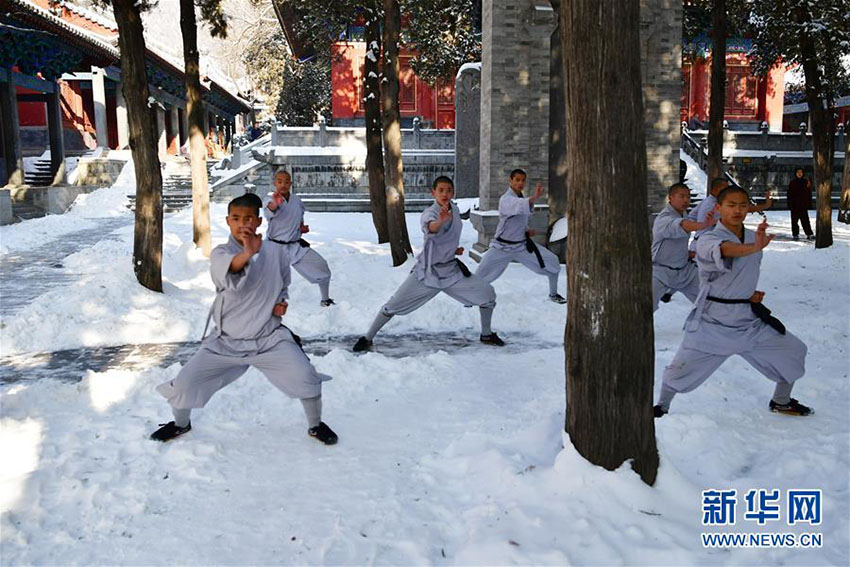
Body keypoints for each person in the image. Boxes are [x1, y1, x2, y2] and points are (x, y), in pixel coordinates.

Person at [150, 193, 338, 444]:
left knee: (306, 377)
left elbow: (283, 281)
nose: (242, 224)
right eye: (236, 218)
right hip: (226, 342)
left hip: (268, 339)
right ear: (228, 221)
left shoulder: (276, 251)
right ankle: (180, 424)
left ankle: (315, 425)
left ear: (258, 222)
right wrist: (247, 253)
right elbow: (231, 277)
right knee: (185, 384)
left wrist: (281, 301)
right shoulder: (221, 253)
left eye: (248, 218)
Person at [654, 185, 812, 418]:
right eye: (731, 205)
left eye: (742, 205)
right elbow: (726, 251)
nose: (737, 210)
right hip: (712, 323)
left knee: (794, 351)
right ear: (718, 208)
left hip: (748, 322)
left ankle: (781, 401)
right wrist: (753, 247)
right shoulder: (709, 238)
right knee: (680, 369)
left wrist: (748, 292)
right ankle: (662, 406)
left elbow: (741, 272)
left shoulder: (752, 237)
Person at [353, 176, 504, 352]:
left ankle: (486, 334)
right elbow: (432, 227)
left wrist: (453, 250)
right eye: (440, 190)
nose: (445, 194)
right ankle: (368, 337)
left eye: (448, 190)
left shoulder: (454, 210)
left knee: (487, 294)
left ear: (453, 192)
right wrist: (440, 221)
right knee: (393, 305)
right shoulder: (430, 213)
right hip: (427, 273)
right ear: (433, 193)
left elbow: (444, 239)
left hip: (451, 272)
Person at [474, 169, 566, 304]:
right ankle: (470, 297)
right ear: (510, 181)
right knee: (481, 273)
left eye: (523, 180)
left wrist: (527, 231)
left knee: (552, 262)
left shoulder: (521, 198)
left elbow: (518, 220)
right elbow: (515, 207)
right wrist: (534, 198)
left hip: (521, 246)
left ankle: (553, 294)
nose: (520, 183)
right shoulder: (506, 199)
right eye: (517, 180)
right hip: (501, 247)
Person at [265, 169, 335, 306]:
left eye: (286, 182)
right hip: (275, 248)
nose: (283, 185)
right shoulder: (269, 199)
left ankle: (325, 299)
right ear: (274, 183)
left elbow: (299, 216)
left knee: (322, 267)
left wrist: (301, 227)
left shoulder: (296, 200)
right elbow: (270, 209)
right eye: (279, 181)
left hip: (295, 246)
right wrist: (275, 203)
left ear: (290, 183)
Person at [651, 183, 716, 311]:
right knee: (646, 308)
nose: (686, 200)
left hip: (684, 271)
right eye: (682, 196)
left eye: (688, 197)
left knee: (709, 301)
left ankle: (715, 327)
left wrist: (687, 254)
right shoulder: (663, 218)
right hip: (660, 272)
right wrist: (703, 225)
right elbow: (682, 225)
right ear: (670, 198)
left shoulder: (683, 213)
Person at [688, 177, 773, 250]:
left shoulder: (706, 201)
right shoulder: (712, 204)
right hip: (706, 246)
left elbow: (692, 216)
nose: (737, 210)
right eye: (725, 188)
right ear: (717, 189)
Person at [787, 168, 814, 241]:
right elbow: (789, 194)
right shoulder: (792, 182)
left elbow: (809, 194)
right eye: (798, 172)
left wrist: (809, 204)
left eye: (801, 172)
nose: (799, 174)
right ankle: (795, 234)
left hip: (803, 205)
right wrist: (789, 204)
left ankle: (809, 233)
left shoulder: (806, 182)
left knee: (805, 220)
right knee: (794, 221)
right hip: (794, 205)